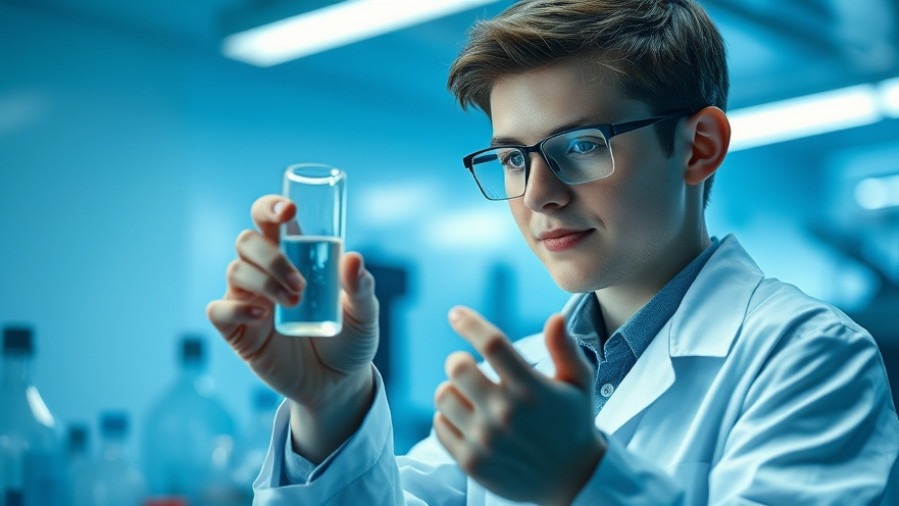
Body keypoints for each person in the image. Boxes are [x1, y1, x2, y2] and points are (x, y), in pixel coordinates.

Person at [206, 0, 899, 504]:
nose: (537, 194)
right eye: (511, 158)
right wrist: (329, 403)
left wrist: (585, 484)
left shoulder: (810, 356)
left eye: (578, 146)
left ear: (697, 146)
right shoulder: (515, 377)